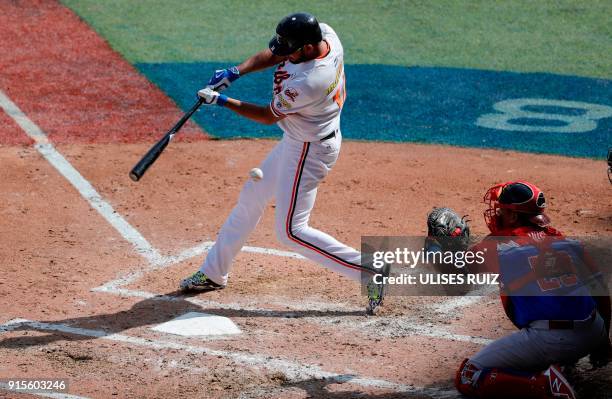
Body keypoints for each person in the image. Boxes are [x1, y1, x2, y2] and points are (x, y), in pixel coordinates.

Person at [179, 12, 386, 313]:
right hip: (299, 140)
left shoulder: (311, 82)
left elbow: (266, 116)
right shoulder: (326, 36)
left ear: (306, 49)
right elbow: (275, 53)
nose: (283, 52)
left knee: (291, 230)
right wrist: (235, 72)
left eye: (291, 48)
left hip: (310, 150)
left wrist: (221, 101)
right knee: (252, 196)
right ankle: (213, 273)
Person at [426, 181, 611, 399]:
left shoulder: (497, 246)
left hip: (553, 340)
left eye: (501, 210)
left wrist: (435, 246)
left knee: (469, 375)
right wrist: (603, 340)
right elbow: (601, 293)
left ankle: (546, 387)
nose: (496, 214)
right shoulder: (565, 240)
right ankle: (562, 364)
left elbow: (458, 283)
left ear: (513, 216)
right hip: (593, 331)